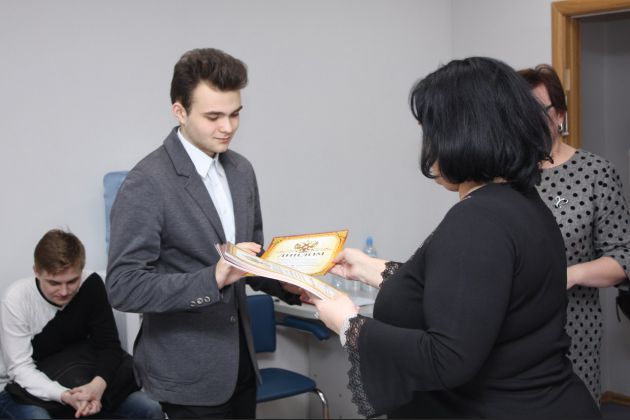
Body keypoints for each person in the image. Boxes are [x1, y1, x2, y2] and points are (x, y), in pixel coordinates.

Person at [312, 57, 601, 418]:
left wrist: (348, 323)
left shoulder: (477, 219)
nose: (428, 145)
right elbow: (475, 292)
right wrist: (372, 269)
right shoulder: (521, 202)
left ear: (463, 134)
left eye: (432, 131)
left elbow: (447, 358)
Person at [106, 47, 302, 419]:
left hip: (241, 365)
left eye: (235, 114)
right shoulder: (146, 182)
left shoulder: (241, 171)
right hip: (187, 375)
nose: (228, 127)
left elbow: (249, 258)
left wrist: (287, 284)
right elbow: (123, 285)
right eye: (213, 116)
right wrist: (212, 278)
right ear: (179, 111)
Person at [517, 64, 630, 403]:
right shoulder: (507, 175)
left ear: (560, 115)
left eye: (539, 109)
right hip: (514, 329)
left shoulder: (595, 172)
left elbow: (624, 256)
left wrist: (570, 275)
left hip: (573, 327)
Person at [0, 229, 162, 419]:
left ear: (81, 270)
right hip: (28, 390)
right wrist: (65, 396)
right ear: (36, 271)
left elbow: (108, 347)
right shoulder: (16, 299)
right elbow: (21, 369)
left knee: (150, 408)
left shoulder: (90, 284)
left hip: (83, 380)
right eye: (54, 283)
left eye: (72, 281)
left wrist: (96, 387)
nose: (64, 291)